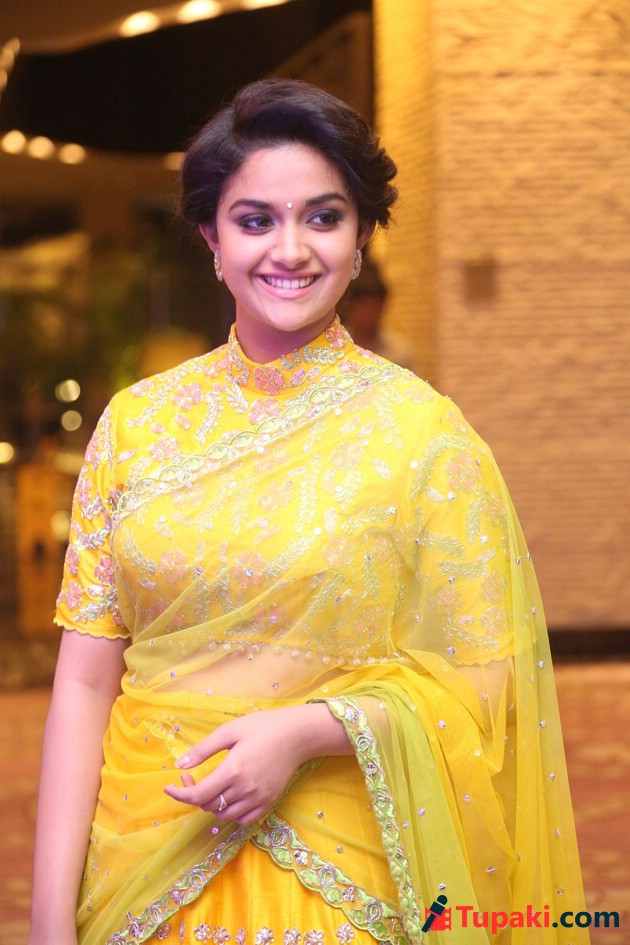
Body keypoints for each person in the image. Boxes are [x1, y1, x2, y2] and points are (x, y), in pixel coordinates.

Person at [29, 79, 589, 945]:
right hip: (139, 855)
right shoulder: (136, 426)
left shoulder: (420, 435)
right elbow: (84, 679)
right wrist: (46, 920)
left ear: (361, 237)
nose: (289, 249)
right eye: (255, 220)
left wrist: (309, 731)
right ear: (212, 238)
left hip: (341, 869)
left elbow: (486, 684)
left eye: (323, 217)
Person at [341, 260, 417, 373]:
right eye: (364, 307)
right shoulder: (335, 347)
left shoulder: (399, 354)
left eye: (375, 308)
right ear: (351, 306)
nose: (369, 315)